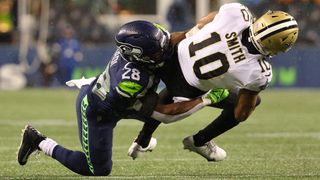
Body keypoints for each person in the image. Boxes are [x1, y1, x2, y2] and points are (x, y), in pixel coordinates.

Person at [17, 21, 229, 176]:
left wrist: (212, 25)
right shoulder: (131, 80)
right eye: (156, 53)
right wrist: (207, 99)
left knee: (162, 99)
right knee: (97, 169)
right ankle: (39, 141)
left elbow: (179, 36)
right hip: (100, 110)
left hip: (122, 98)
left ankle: (143, 141)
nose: (163, 53)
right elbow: (166, 114)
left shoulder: (152, 44)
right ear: (138, 56)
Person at [129, 3, 299, 161]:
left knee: (172, 89)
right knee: (248, 103)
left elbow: (207, 20)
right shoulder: (259, 72)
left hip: (173, 54)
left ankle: (142, 140)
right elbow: (242, 113)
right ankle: (200, 140)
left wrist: (193, 34)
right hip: (186, 88)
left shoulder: (238, 13)